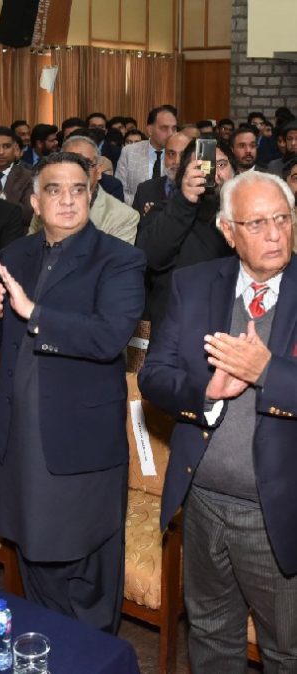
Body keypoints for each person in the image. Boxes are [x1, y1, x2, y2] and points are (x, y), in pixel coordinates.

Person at [0, 152, 145, 633]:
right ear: (34, 202)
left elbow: (108, 337)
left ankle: (91, 656)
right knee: (33, 553)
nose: (67, 200)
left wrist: (35, 313)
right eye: (54, 190)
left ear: (91, 195)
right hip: (19, 438)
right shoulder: (14, 255)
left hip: (79, 444)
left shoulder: (120, 259)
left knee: (85, 570)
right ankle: (49, 647)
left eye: (78, 189)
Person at [139, 170, 297, 672]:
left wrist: (267, 372)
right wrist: (205, 392)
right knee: (209, 636)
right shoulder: (194, 283)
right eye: (257, 223)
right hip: (202, 501)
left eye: (283, 219)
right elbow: (153, 376)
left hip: (278, 514)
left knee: (286, 650)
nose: (274, 234)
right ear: (228, 231)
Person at [135, 139, 236, 327]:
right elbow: (149, 257)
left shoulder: (246, 218)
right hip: (178, 328)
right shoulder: (164, 213)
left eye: (222, 165)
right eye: (202, 167)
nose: (214, 174)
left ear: (235, 172)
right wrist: (185, 200)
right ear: (184, 174)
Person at [29, 136, 139, 244]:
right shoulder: (46, 204)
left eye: (86, 163)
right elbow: (30, 248)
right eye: (70, 163)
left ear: (98, 171)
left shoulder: (123, 216)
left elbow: (116, 256)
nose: (78, 171)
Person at [115, 105, 178, 205]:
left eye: (174, 128)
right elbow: (119, 190)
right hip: (134, 212)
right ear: (150, 130)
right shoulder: (129, 152)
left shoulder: (180, 156)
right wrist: (142, 203)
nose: (171, 133)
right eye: (164, 128)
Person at [132, 131, 190, 218]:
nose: (177, 161)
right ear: (164, 157)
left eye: (183, 155)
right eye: (171, 154)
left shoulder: (202, 194)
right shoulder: (144, 190)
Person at [0, 126, 34, 226]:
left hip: (17, 234)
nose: (0, 152)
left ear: (15, 149)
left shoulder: (28, 177)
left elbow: (27, 215)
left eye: (6, 146)